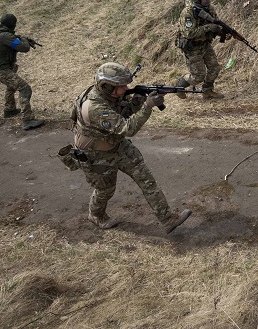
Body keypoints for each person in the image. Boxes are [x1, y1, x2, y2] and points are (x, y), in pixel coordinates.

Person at [71, 62, 192, 233]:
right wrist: (147, 106)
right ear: (107, 87)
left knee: (146, 180)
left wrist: (137, 100)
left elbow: (124, 111)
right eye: (121, 86)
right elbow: (128, 128)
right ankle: (96, 215)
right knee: (105, 189)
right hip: (96, 154)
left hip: (117, 145)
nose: (126, 88)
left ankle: (168, 220)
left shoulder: (111, 96)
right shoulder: (94, 107)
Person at [0, 13, 45, 130]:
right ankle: (28, 119)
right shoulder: (5, 36)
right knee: (25, 88)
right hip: (0, 69)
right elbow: (24, 48)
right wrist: (23, 39)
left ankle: (10, 110)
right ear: (12, 25)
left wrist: (19, 39)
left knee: (11, 85)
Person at [174, 0, 230, 100]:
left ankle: (208, 91)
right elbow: (189, 33)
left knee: (214, 68)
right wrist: (209, 28)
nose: (208, 0)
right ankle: (179, 84)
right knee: (198, 76)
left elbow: (215, 25)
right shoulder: (188, 13)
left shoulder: (209, 9)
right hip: (192, 49)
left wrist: (222, 33)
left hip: (205, 44)